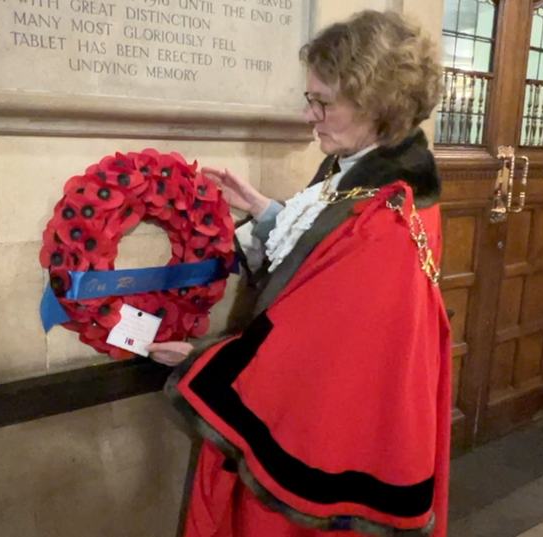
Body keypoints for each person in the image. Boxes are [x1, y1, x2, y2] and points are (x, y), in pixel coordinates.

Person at [146, 10, 452, 537]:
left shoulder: (389, 215)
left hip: (322, 431)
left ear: (378, 104)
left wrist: (203, 361)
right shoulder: (358, 172)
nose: (310, 116)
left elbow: (312, 347)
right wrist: (267, 212)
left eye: (323, 102)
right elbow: (323, 265)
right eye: (311, 99)